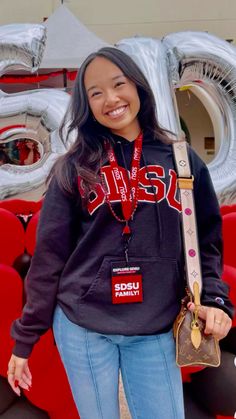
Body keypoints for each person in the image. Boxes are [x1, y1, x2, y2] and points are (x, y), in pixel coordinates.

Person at [7, 47, 233, 419]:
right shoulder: (74, 167)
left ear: (139, 87)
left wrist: (215, 300)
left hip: (156, 324)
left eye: (118, 84)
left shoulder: (181, 159)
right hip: (83, 324)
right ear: (86, 105)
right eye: (95, 93)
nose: (110, 99)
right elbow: (49, 258)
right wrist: (25, 340)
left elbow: (206, 241)